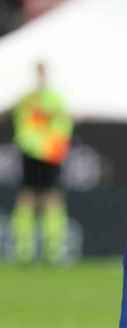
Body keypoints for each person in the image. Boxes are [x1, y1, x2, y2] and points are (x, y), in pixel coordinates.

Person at [11, 60, 73, 263]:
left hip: (48, 153)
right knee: (31, 197)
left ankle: (52, 249)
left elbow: (63, 124)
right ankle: (24, 249)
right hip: (34, 151)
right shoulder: (30, 99)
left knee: (48, 198)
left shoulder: (47, 98)